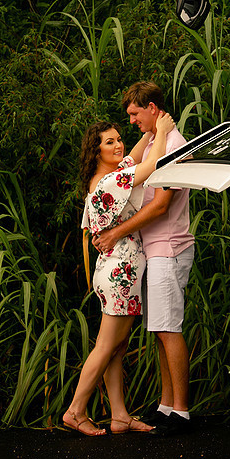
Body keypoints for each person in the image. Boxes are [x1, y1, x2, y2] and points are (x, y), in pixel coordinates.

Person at [62, 113, 175, 436]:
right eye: (109, 142)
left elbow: (135, 157)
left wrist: (149, 131)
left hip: (115, 270)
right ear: (96, 150)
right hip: (120, 273)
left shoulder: (110, 176)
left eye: (119, 139)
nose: (118, 145)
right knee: (106, 345)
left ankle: (120, 416)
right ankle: (75, 411)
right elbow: (150, 165)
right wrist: (163, 131)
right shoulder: (110, 182)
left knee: (117, 347)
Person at [93, 81, 194, 434]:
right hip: (153, 250)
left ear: (152, 108)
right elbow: (131, 164)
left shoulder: (173, 145)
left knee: (169, 329)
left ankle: (181, 412)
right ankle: (166, 406)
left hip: (169, 247)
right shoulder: (154, 141)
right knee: (160, 331)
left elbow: (161, 204)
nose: (132, 121)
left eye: (135, 114)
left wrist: (115, 233)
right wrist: (155, 132)